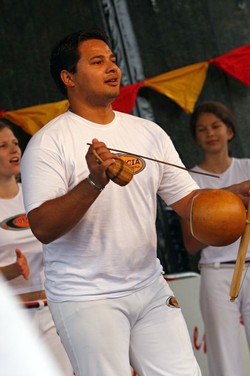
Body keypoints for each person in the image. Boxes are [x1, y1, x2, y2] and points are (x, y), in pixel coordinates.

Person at [20, 30, 250, 376]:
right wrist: (95, 182)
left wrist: (236, 196)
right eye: (97, 62)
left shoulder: (148, 132)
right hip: (86, 296)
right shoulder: (48, 143)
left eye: (113, 60)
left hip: (149, 286)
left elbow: (190, 204)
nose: (112, 67)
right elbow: (42, 227)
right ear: (68, 78)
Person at [180, 101, 250, 376]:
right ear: (196, 137)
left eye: (216, 126)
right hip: (216, 272)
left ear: (230, 131)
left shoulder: (247, 168)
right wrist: (222, 212)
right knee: (223, 354)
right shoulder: (189, 179)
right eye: (201, 129)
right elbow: (190, 242)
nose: (210, 133)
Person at [0, 121, 73, 376]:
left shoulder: (36, 194)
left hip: (52, 308)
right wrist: (11, 270)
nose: (14, 150)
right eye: (3, 146)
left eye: (16, 144)